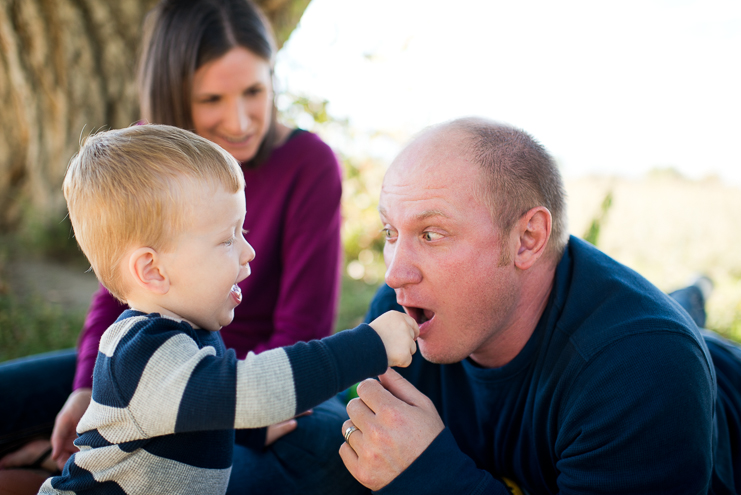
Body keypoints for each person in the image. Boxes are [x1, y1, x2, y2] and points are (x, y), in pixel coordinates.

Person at [0, 0, 346, 490]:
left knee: (323, 448)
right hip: (146, 369)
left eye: (255, 91)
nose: (241, 120)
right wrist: (85, 385)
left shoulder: (309, 163)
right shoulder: (149, 157)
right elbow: (116, 290)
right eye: (212, 100)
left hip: (252, 380)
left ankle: (73, 470)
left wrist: (238, 407)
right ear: (174, 94)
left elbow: (301, 327)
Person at [339, 117, 741, 494]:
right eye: (391, 231)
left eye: (431, 234)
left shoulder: (644, 371)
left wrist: (429, 474)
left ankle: (697, 292)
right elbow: (345, 417)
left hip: (716, 378)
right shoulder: (399, 310)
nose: (394, 274)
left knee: (680, 321)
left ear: (527, 238)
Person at [39, 124, 418, 494]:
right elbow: (245, 388)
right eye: (226, 240)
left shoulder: (182, 335)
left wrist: (250, 427)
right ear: (153, 270)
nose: (247, 252)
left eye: (243, 233)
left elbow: (194, 409)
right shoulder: (142, 352)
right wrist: (369, 345)